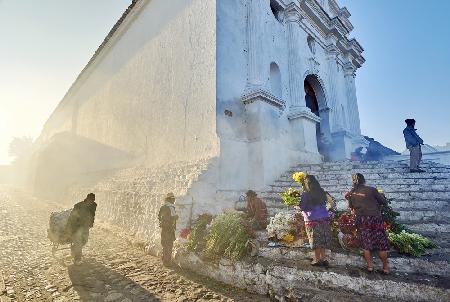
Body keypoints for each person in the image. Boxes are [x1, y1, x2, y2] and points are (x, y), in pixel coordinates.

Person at [346, 173, 390, 274]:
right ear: (363, 180)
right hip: (375, 218)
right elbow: (384, 202)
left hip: (362, 220)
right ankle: (385, 268)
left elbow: (351, 206)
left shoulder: (352, 193)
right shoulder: (372, 189)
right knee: (381, 244)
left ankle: (370, 267)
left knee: (366, 244)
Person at [299, 175, 332, 267]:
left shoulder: (306, 194)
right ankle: (324, 258)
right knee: (322, 239)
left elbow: (303, 207)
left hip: (312, 219)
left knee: (316, 240)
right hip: (324, 218)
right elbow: (329, 201)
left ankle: (317, 259)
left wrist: (297, 206)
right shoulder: (321, 191)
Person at [67, 193, 97, 265]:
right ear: (87, 199)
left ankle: (74, 248)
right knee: (78, 242)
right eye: (90, 200)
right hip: (76, 227)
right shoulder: (78, 206)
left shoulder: (93, 205)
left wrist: (91, 223)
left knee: (84, 240)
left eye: (92, 201)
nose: (91, 202)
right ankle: (77, 259)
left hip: (85, 226)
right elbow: (72, 217)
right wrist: (71, 227)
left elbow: (92, 214)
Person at [158, 192, 178, 266]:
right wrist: (176, 217)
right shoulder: (171, 207)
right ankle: (167, 262)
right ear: (170, 199)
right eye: (173, 199)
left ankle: (164, 260)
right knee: (169, 245)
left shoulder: (163, 207)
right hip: (169, 229)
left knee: (164, 244)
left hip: (164, 228)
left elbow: (159, 216)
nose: (174, 200)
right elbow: (173, 217)